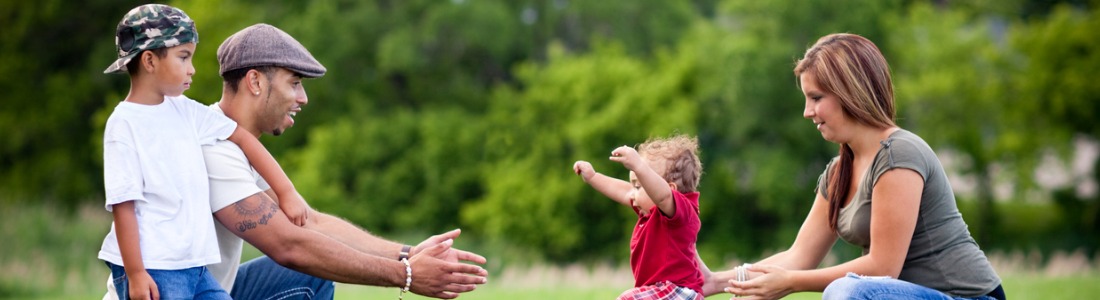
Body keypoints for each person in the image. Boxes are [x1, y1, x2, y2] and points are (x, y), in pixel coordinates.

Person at [105, 23, 490, 300]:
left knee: (312, 278)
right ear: (256, 82)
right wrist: (405, 276)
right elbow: (289, 244)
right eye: (294, 82)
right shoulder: (208, 149)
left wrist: (408, 254)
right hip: (161, 289)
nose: (303, 98)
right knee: (301, 261)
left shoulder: (233, 142)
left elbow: (311, 223)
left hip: (206, 287)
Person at [700, 33, 1004, 300]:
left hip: (966, 297)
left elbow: (882, 268)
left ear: (850, 90)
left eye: (816, 97)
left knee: (847, 292)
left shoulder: (898, 153)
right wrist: (719, 282)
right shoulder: (838, 172)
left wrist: (790, 283)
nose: (807, 112)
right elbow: (799, 256)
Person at [98, 5, 309, 300]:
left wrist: (286, 191)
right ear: (149, 60)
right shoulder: (124, 125)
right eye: (183, 57)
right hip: (155, 267)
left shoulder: (186, 110)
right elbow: (124, 205)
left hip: (195, 267)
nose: (192, 68)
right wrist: (135, 274)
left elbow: (243, 139)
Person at [573, 134, 705, 300]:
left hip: (677, 291)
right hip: (662, 292)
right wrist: (593, 177)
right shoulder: (651, 214)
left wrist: (638, 166)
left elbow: (663, 196)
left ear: (670, 188)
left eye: (638, 186)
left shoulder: (682, 212)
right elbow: (624, 191)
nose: (632, 194)